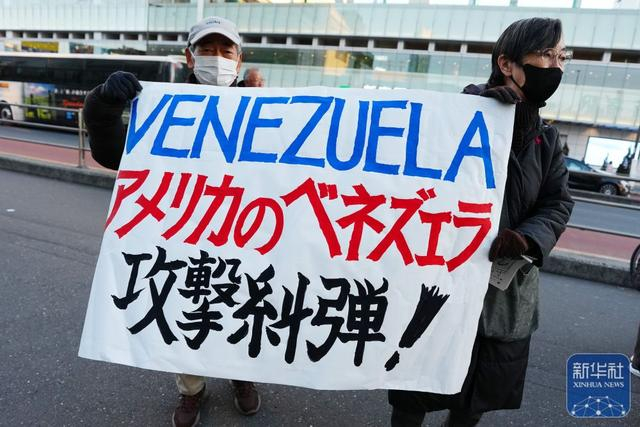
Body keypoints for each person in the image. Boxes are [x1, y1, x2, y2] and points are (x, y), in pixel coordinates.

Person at [388, 17, 574, 426]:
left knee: (477, 395)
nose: (556, 66)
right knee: (415, 386)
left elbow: (557, 203)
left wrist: (527, 239)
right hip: (444, 277)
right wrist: (477, 108)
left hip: (504, 291)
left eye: (562, 56)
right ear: (506, 64)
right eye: (547, 54)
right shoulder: (456, 118)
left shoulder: (547, 139)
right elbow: (417, 183)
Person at [83, 16, 261, 427]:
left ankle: (243, 375)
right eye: (207, 50)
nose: (217, 58)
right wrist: (103, 103)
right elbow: (111, 154)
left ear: (239, 59)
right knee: (188, 312)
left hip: (245, 238)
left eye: (226, 50)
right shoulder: (164, 108)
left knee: (244, 309)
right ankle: (191, 389)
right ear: (189, 57)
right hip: (185, 239)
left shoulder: (262, 109)